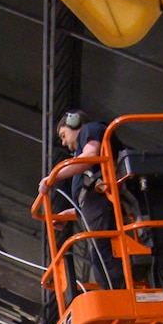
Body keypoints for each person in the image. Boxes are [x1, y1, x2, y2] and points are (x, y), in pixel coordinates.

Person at [39, 109, 119, 291]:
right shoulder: (80, 151)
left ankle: (117, 293)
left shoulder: (89, 130)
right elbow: (86, 207)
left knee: (103, 253)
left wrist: (52, 177)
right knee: (99, 255)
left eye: (63, 135)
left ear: (74, 123)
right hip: (95, 206)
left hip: (101, 203)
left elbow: (90, 156)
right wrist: (64, 216)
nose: (64, 142)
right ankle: (113, 291)